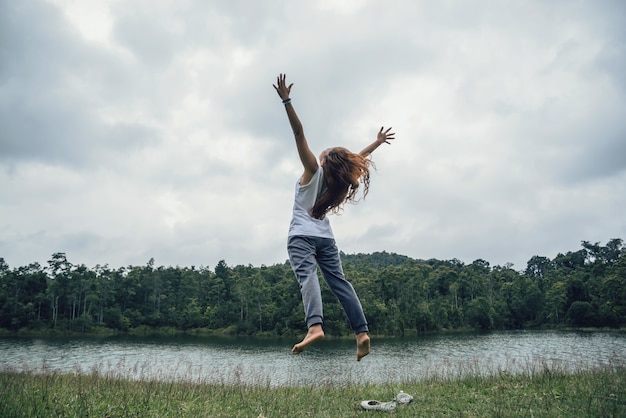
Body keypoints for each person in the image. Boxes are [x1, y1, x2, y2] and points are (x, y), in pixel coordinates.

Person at [273, 73, 395, 361]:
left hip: (301, 236)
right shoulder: (338, 182)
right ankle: (362, 334)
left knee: (307, 277)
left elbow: (299, 135)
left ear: (324, 161)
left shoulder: (312, 171)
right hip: (325, 238)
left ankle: (315, 327)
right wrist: (376, 143)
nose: (322, 151)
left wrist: (287, 101)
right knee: (339, 282)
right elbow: (357, 158)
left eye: (325, 152)